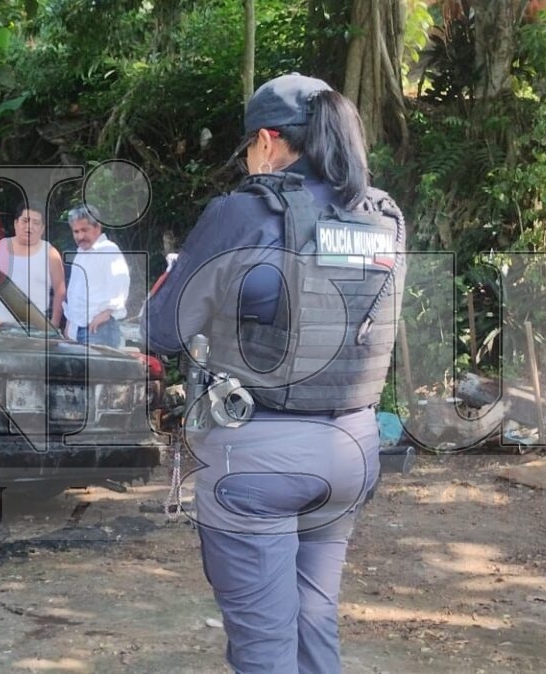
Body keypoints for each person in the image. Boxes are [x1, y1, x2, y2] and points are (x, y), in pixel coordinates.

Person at [143, 72, 407, 673]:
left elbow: (162, 329)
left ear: (266, 140)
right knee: (314, 624)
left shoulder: (243, 211)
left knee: (264, 647)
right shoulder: (379, 216)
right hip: (353, 447)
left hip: (260, 458)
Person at [0, 207, 66, 331]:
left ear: (42, 229)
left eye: (36, 223)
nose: (29, 227)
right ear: (16, 223)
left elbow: (60, 291)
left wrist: (53, 325)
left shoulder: (50, 253)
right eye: (25, 221)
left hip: (33, 329)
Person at [62, 204, 130, 348]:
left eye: (85, 230)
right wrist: (70, 324)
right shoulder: (80, 254)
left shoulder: (108, 250)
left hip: (100, 328)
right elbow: (74, 292)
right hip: (79, 328)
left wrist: (106, 314)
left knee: (97, 370)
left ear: (97, 227)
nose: (80, 236)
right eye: (76, 231)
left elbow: (121, 284)